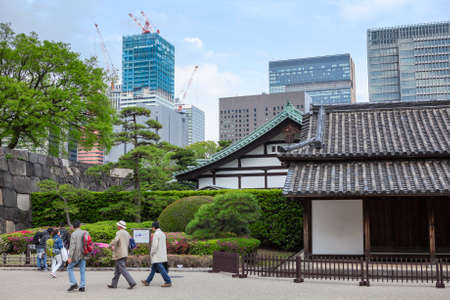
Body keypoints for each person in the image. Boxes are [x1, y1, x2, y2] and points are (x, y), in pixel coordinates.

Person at [107, 221, 137, 290]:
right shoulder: (127, 233)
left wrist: (110, 245)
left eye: (118, 225)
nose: (117, 226)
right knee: (117, 270)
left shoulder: (119, 232)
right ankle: (113, 284)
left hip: (120, 253)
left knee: (122, 269)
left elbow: (116, 240)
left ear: (120, 226)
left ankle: (131, 282)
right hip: (125, 253)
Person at [141, 221, 172, 287]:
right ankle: (147, 281)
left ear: (154, 227)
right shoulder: (162, 233)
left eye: (152, 227)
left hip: (156, 254)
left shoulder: (156, 234)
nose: (152, 228)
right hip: (162, 254)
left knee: (161, 269)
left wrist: (151, 253)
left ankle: (168, 281)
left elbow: (154, 246)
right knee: (153, 269)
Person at [67, 220, 87, 292]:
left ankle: (73, 283)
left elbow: (72, 246)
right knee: (82, 270)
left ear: (73, 226)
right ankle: (82, 286)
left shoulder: (74, 234)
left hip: (76, 255)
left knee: (69, 268)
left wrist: (69, 257)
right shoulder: (85, 232)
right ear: (80, 225)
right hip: (84, 254)